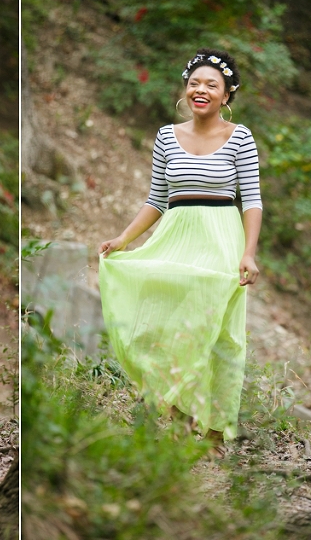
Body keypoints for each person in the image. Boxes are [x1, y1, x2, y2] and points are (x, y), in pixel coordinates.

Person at [98, 48, 262, 456]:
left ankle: (214, 434)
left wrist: (249, 253)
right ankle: (179, 415)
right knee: (164, 326)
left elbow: (253, 201)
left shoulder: (239, 137)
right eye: (194, 83)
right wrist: (122, 240)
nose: (200, 90)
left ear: (227, 95)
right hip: (175, 235)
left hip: (222, 238)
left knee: (220, 336)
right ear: (185, 90)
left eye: (211, 85)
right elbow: (156, 199)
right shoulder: (167, 136)